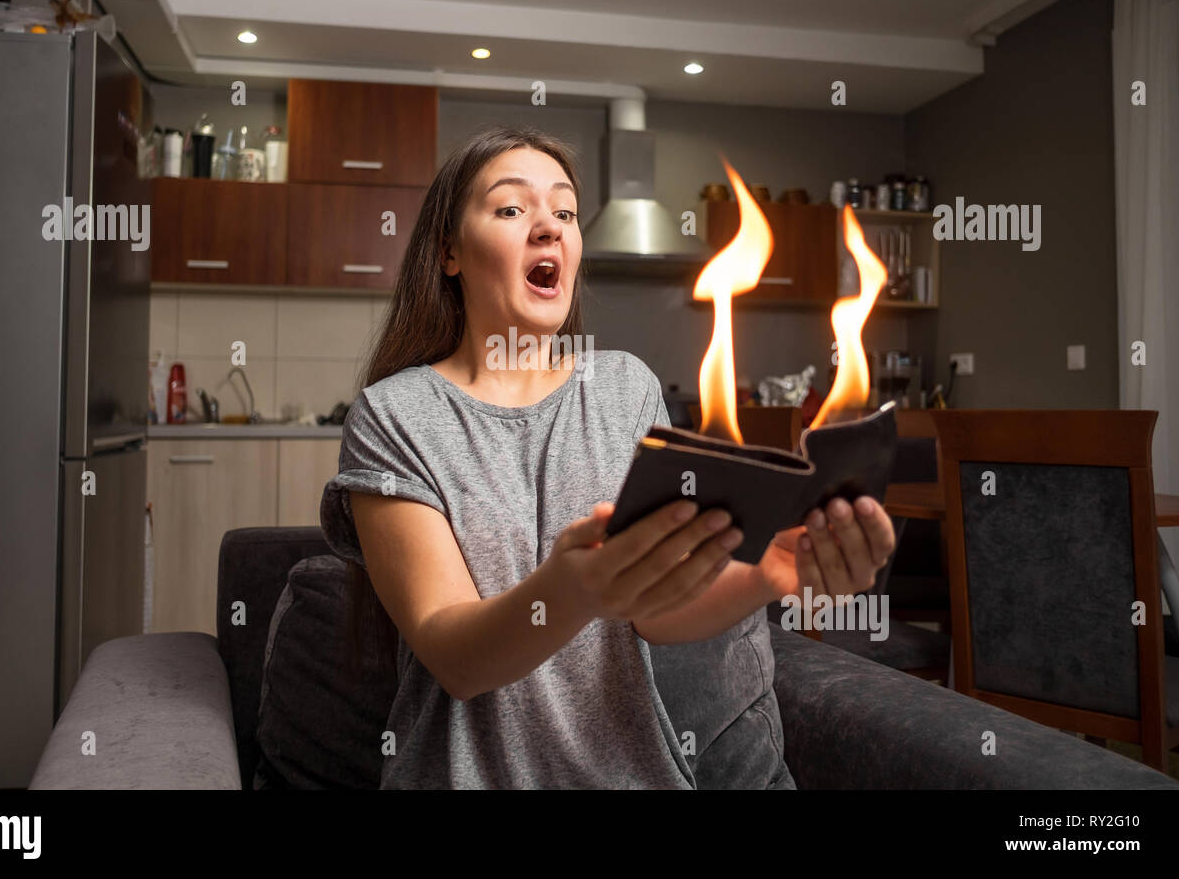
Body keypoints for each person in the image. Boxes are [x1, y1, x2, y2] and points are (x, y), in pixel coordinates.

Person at [319, 124, 895, 788]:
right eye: (511, 209)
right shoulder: (395, 414)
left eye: (565, 211)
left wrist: (768, 574)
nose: (550, 227)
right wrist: (569, 590)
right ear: (449, 250)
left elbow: (655, 614)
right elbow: (456, 658)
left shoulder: (625, 388)